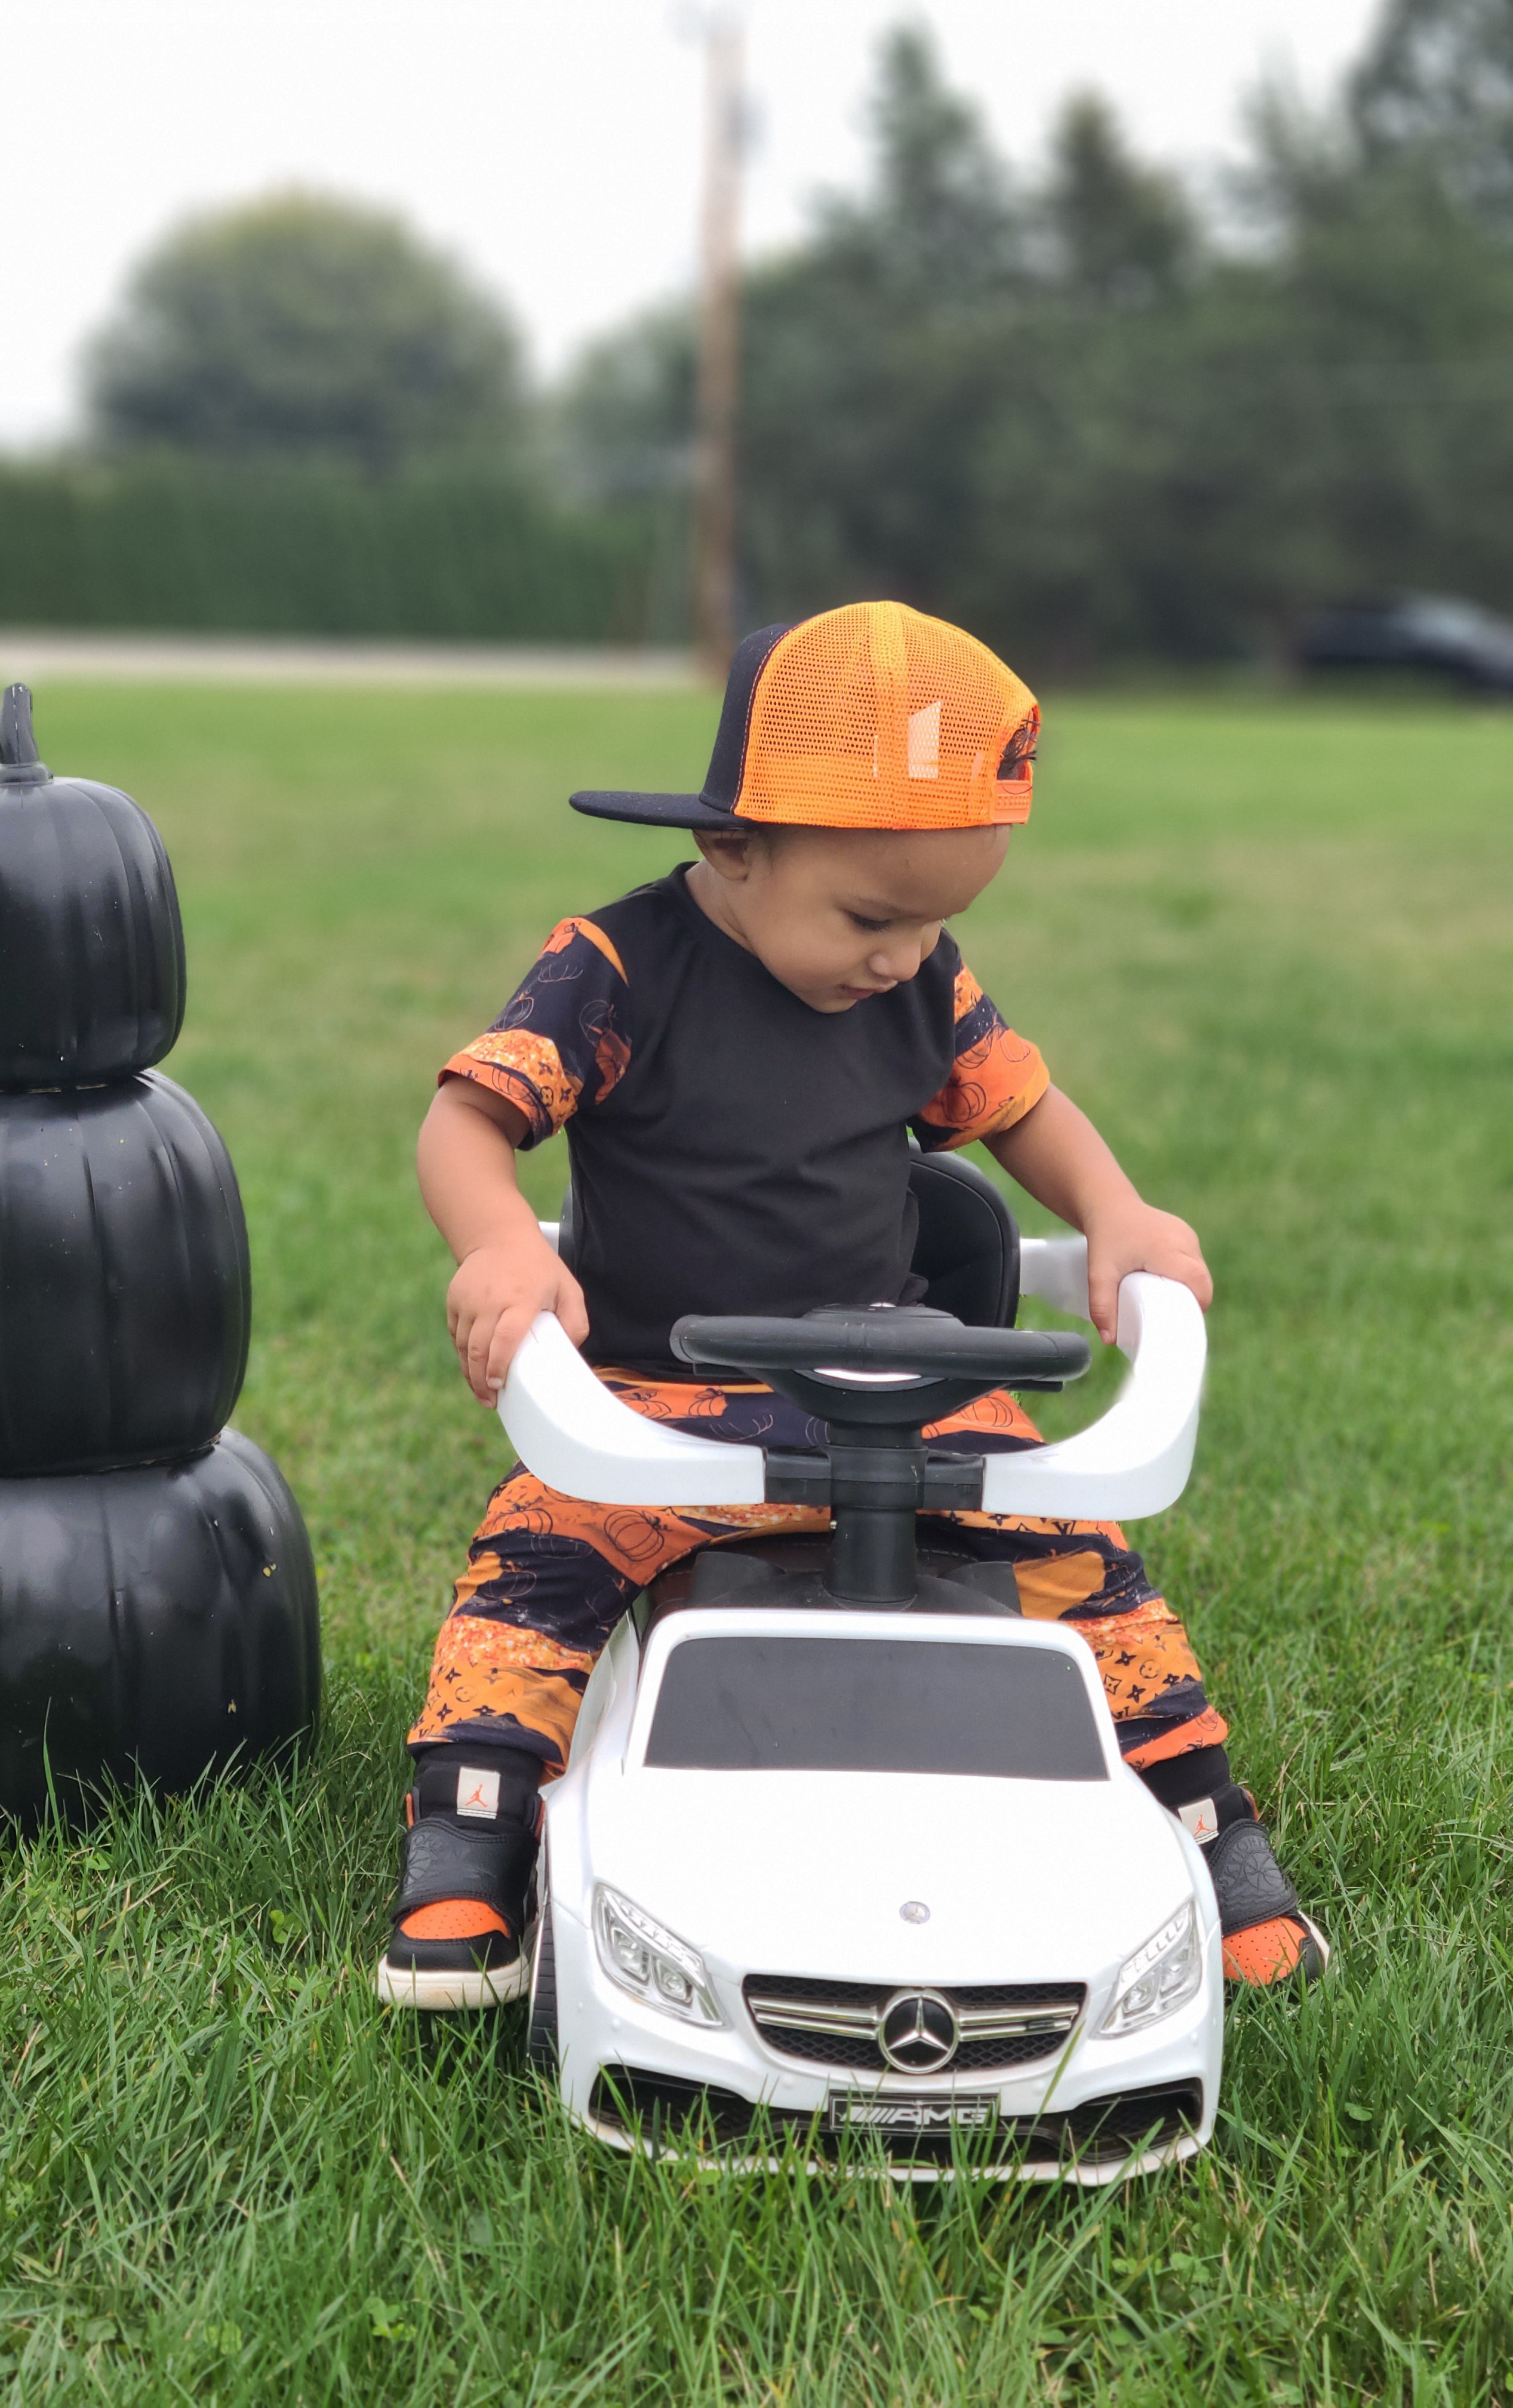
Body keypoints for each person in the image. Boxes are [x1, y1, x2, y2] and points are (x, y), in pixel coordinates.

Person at [376, 601, 1326, 2010]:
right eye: (873, 917)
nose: (905, 954)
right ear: (734, 849)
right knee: (532, 1573)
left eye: (942, 918)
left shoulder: (924, 982)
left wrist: (1116, 1212)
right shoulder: (621, 968)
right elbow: (463, 1123)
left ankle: (1208, 1827)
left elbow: (1025, 1108)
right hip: (661, 1394)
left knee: (1088, 1564)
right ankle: (471, 1844)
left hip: (896, 1383)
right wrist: (503, 1246)